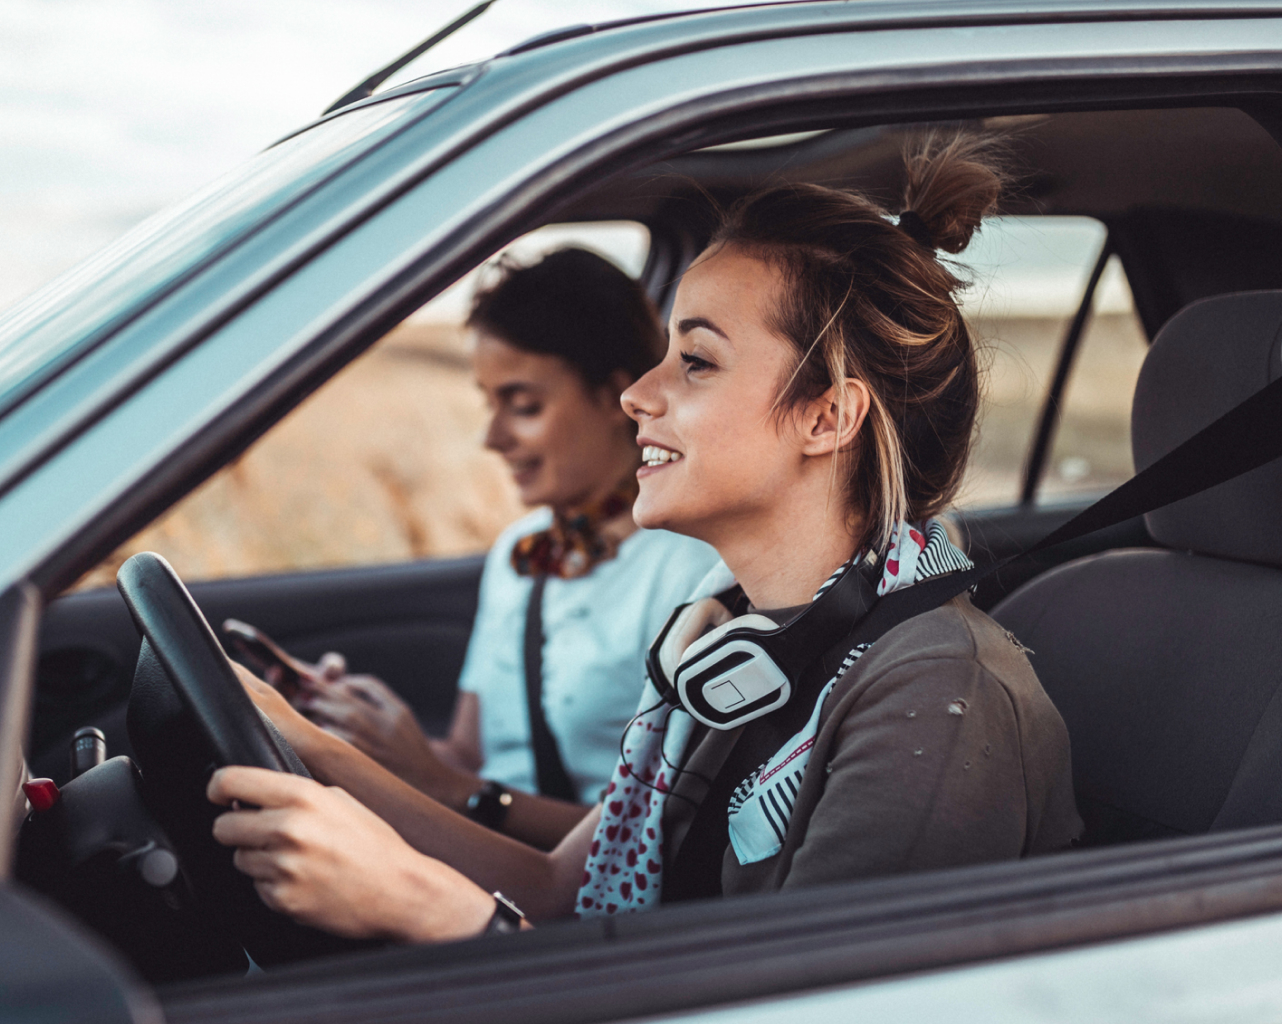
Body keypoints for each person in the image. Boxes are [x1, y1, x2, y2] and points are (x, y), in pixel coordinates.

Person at [208, 131, 1083, 943]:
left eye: (695, 361)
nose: (638, 395)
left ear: (828, 416)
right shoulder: (730, 644)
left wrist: (426, 906)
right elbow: (555, 892)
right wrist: (308, 742)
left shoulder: (934, 691)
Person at [294, 248, 719, 849]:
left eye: (523, 406)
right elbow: (468, 754)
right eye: (488, 403)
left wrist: (445, 785)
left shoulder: (693, 570)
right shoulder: (520, 550)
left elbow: (658, 836)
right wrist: (368, 733)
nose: (493, 439)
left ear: (617, 395)